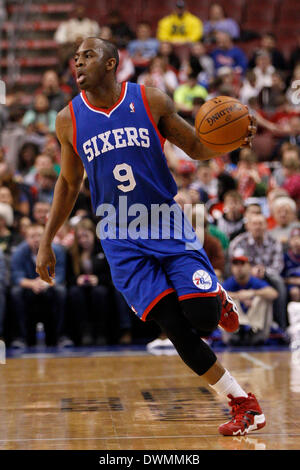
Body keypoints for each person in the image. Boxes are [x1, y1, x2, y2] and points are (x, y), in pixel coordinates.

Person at [35, 36, 265, 437]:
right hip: (119, 238)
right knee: (175, 327)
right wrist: (46, 240)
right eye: (75, 58)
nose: (78, 63)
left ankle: (218, 296)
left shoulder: (150, 100)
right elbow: (69, 184)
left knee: (204, 319)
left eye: (87, 55)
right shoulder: (68, 119)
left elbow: (195, 146)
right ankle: (244, 404)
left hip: (164, 222)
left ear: (111, 63)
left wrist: (227, 140)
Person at [11, 224, 66, 347]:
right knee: (16, 292)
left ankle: (60, 337)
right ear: (26, 239)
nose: (36, 239)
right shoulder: (19, 252)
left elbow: (60, 275)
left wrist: (46, 283)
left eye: (40, 236)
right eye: (32, 236)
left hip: (49, 286)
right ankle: (22, 338)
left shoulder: (57, 250)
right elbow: (16, 277)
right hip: (29, 287)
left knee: (61, 291)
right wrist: (33, 284)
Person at [229, 213, 287, 330]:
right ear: (248, 226)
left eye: (261, 224)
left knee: (279, 282)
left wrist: (264, 271)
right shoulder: (239, 242)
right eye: (254, 224)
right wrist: (250, 271)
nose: (258, 227)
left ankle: (281, 326)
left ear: (266, 226)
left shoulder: (274, 242)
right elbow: (236, 264)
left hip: (267, 276)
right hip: (245, 276)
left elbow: (278, 266)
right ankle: (233, 326)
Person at [222, 250, 278, 346]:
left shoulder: (255, 281)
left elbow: (274, 293)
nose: (239, 268)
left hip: (255, 325)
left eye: (242, 264)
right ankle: (236, 330)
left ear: (249, 267)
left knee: (262, 298)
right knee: (226, 298)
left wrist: (252, 293)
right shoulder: (230, 282)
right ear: (232, 268)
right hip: (234, 329)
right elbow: (217, 294)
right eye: (235, 264)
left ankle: (254, 330)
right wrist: (240, 296)